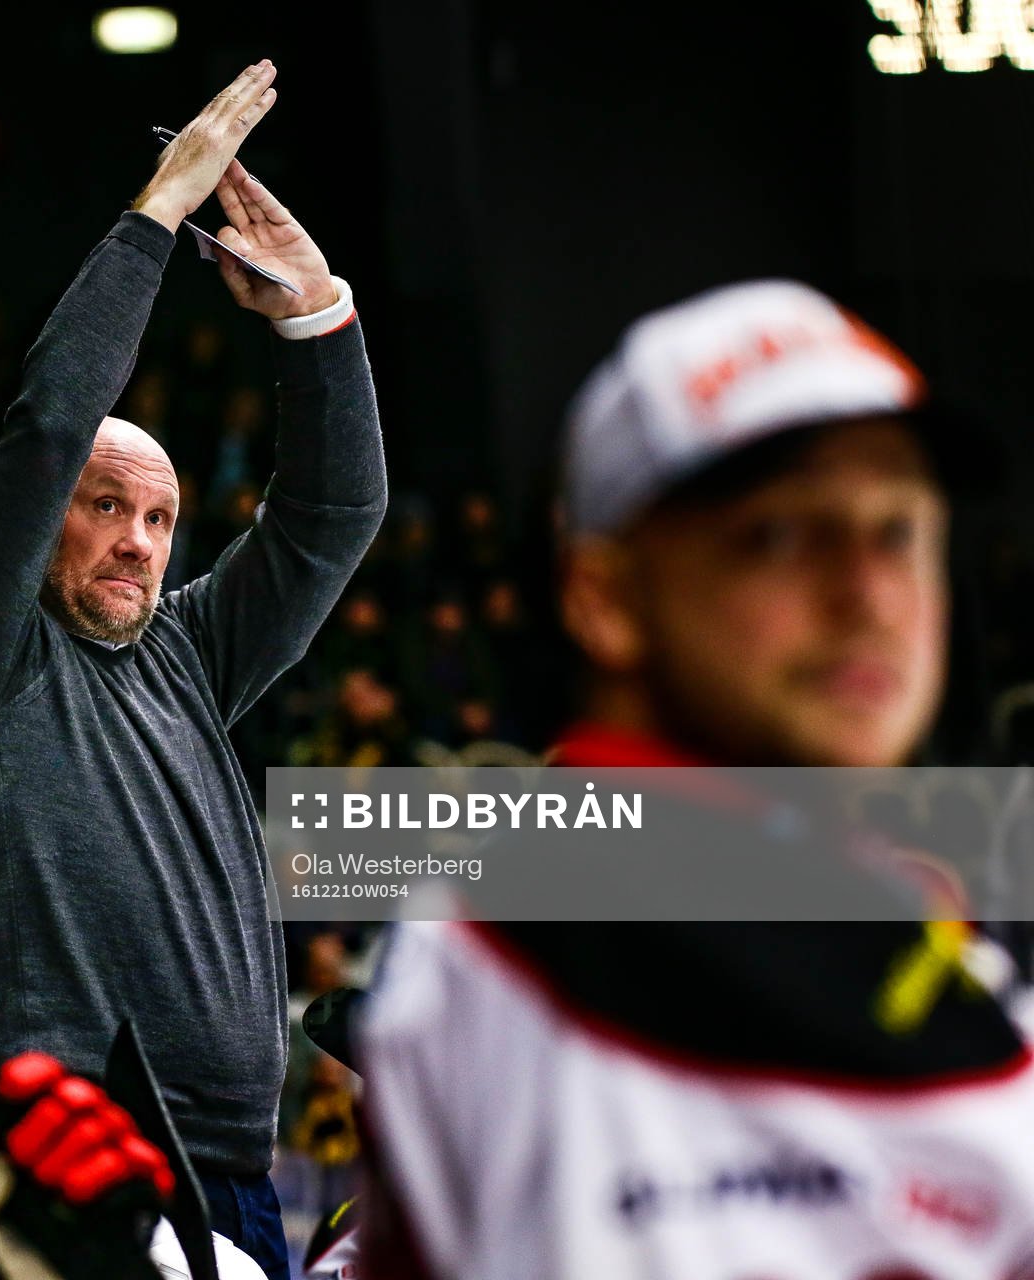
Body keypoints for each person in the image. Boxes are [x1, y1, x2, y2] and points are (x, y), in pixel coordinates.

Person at [353, 281, 1034, 1276]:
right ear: (606, 598)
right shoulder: (503, 946)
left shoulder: (943, 950)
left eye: (899, 531)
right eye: (781, 534)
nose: (870, 596)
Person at [0, 61, 386, 1280]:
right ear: (41, 518)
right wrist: (158, 213)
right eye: (105, 505)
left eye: (160, 519)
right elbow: (52, 425)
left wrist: (318, 317)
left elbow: (334, 512)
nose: (138, 541)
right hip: (70, 1181)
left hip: (241, 1180)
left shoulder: (188, 653)